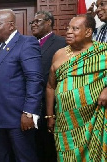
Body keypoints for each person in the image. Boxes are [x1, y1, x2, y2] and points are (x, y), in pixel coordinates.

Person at [0, 9, 43, 162]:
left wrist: (29, 113)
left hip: (18, 118)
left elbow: (34, 79)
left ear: (11, 26)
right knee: (2, 157)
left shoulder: (26, 43)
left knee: (24, 157)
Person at [46, 14, 107, 161]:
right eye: (68, 28)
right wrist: (49, 116)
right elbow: (50, 86)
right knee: (66, 155)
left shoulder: (103, 52)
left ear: (88, 32)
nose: (68, 32)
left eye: (75, 28)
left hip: (93, 120)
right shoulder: (59, 54)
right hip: (65, 123)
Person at [30, 10, 66, 162]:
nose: (34, 24)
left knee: (50, 146)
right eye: (32, 22)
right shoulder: (29, 43)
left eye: (37, 21)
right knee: (34, 145)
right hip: (32, 103)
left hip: (51, 103)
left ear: (49, 22)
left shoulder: (61, 43)